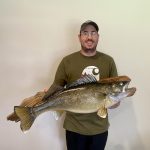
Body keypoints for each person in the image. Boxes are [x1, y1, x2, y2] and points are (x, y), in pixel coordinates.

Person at [43, 20, 120, 150]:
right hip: (74, 128)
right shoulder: (67, 61)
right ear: (79, 37)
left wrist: (116, 100)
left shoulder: (108, 61)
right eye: (85, 33)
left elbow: (114, 98)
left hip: (99, 129)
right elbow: (57, 87)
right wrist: (47, 95)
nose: (89, 37)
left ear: (98, 37)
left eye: (93, 33)